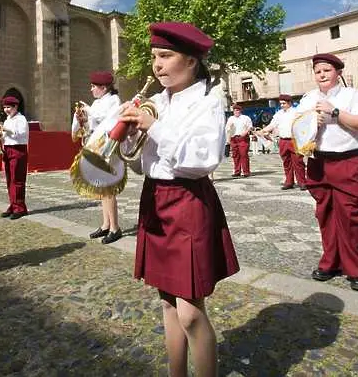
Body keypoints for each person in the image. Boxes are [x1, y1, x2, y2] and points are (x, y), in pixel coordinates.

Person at [118, 21, 239, 377]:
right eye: (154, 56)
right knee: (168, 304)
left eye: (166, 56)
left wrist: (151, 126)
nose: (157, 65)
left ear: (191, 61)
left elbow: (199, 160)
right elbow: (141, 164)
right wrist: (125, 135)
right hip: (155, 197)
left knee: (190, 310)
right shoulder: (156, 102)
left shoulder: (208, 101)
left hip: (188, 200)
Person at [294, 53, 358, 291]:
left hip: (347, 160)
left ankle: (356, 268)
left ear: (338, 72)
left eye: (327, 70)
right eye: (318, 71)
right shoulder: (309, 98)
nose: (322, 74)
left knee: (350, 216)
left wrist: (334, 112)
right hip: (319, 162)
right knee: (325, 214)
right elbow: (297, 128)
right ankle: (331, 261)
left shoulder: (351, 95)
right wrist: (311, 123)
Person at [72, 70, 124, 244]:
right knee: (101, 187)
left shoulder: (114, 101)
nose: (91, 89)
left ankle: (115, 228)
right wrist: (82, 117)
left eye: (94, 86)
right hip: (96, 145)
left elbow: (110, 122)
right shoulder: (96, 103)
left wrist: (90, 112)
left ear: (104, 87)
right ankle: (105, 224)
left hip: (108, 147)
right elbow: (91, 125)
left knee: (108, 188)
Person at [257, 94, 306, 190]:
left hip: (294, 140)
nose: (282, 105)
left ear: (289, 103)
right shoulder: (279, 114)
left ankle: (302, 182)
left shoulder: (296, 112)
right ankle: (289, 181)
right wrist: (262, 131)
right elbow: (272, 125)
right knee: (286, 162)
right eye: (281, 103)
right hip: (283, 140)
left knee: (298, 162)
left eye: (283, 103)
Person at [0, 95, 29, 219]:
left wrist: (7, 130)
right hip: (7, 149)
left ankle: (20, 207)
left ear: (15, 107)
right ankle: (13, 204)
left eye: (9, 107)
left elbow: (21, 134)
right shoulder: (7, 119)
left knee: (17, 179)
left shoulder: (21, 119)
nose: (6, 110)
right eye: (5, 107)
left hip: (18, 149)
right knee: (9, 179)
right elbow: (5, 135)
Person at [225, 104, 252, 177]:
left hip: (242, 138)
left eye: (237, 110)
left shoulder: (245, 118)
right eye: (234, 110)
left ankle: (246, 172)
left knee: (243, 155)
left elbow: (250, 127)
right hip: (233, 138)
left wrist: (245, 132)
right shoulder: (231, 118)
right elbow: (227, 128)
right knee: (235, 155)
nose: (236, 112)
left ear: (240, 110)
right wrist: (229, 127)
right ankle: (237, 171)